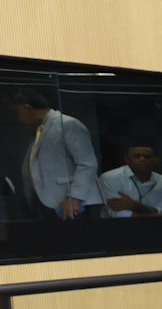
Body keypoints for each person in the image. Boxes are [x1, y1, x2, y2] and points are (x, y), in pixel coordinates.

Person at [10, 88, 101, 218]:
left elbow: (87, 164)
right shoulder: (40, 130)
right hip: (50, 204)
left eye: (16, 112)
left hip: (75, 204)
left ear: (27, 108)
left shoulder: (68, 124)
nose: (16, 118)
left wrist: (74, 197)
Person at [98, 144, 162, 218]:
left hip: (155, 226)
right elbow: (119, 215)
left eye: (147, 157)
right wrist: (153, 214)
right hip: (115, 226)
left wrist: (136, 206)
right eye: (137, 156)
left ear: (155, 160)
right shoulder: (111, 177)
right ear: (126, 160)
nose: (142, 159)